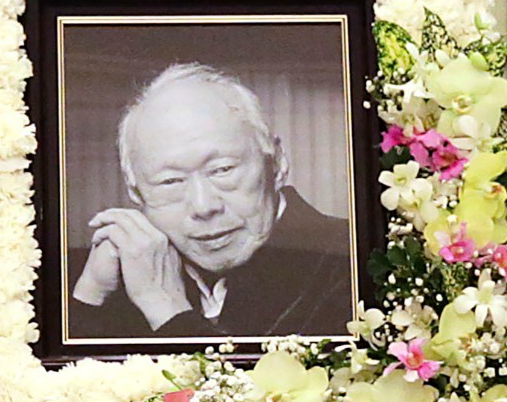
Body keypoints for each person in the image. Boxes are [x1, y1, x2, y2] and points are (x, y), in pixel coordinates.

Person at [69, 62, 355, 341]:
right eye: (170, 181)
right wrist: (91, 294)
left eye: (222, 170)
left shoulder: (352, 262)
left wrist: (167, 310)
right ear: (136, 194)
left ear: (277, 163)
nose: (204, 207)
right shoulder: (104, 277)